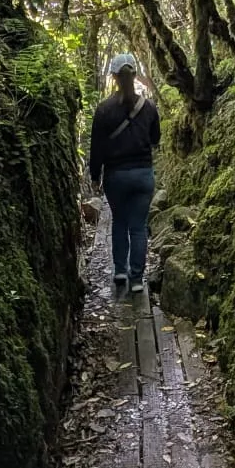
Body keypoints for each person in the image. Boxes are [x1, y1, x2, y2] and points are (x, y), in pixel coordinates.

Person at [88, 53, 161, 294]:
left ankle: (120, 271)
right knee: (138, 227)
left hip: (116, 176)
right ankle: (137, 279)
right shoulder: (149, 107)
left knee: (119, 222)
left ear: (114, 77)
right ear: (135, 74)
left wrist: (95, 175)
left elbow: (96, 146)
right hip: (142, 175)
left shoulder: (104, 109)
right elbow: (155, 140)